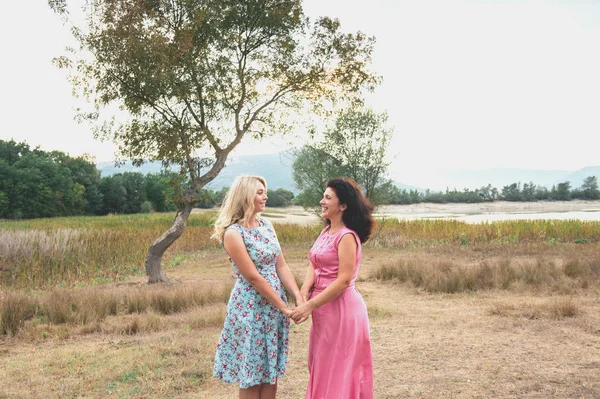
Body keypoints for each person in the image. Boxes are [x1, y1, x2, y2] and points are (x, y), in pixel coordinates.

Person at [212, 175, 304, 399]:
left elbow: (281, 265)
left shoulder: (266, 224)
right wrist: (283, 307)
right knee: (252, 375)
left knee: (269, 373)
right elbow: (253, 277)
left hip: (273, 307)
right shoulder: (233, 233)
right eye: (260, 192)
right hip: (251, 308)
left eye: (265, 191)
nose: (265, 196)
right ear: (245, 196)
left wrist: (298, 297)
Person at [290, 178, 375, 399]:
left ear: (343, 205)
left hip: (342, 310)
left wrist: (309, 305)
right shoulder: (326, 231)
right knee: (322, 366)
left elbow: (343, 280)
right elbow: (314, 261)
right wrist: (304, 289)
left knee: (339, 370)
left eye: (328, 198)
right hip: (323, 311)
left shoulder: (346, 236)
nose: (322, 201)